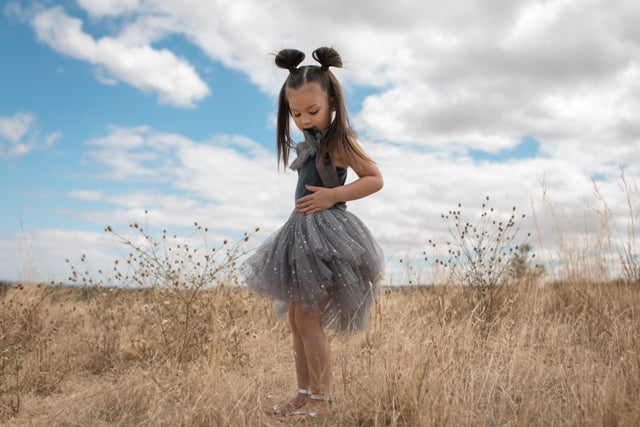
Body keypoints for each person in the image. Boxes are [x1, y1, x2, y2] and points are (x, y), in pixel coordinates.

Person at [243, 46, 384, 421]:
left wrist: (334, 195)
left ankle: (321, 400)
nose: (304, 120)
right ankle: (304, 393)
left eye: (312, 111)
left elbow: (374, 179)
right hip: (300, 233)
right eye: (296, 113)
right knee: (296, 319)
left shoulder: (339, 140)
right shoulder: (312, 142)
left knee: (308, 318)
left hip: (327, 238)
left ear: (333, 103)